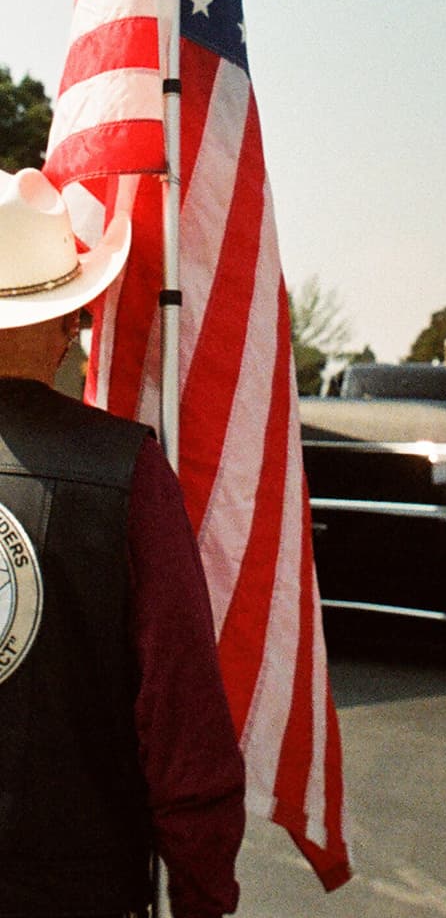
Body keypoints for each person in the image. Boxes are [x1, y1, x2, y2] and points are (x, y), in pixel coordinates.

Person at [0, 167, 246, 918]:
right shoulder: (127, 471)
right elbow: (186, 735)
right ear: (62, 322)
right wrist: (204, 898)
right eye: (74, 316)